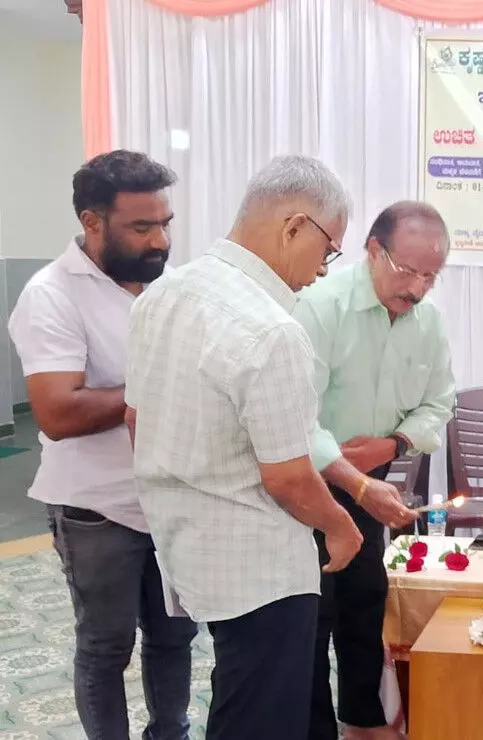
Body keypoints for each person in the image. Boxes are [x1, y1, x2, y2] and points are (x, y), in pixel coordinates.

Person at [124, 155, 366, 740]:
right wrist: (341, 526)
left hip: (186, 542)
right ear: (294, 226)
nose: (322, 270)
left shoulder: (161, 295)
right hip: (262, 569)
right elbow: (288, 476)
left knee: (243, 695)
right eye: (328, 250)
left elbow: (137, 419)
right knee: (259, 716)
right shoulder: (272, 329)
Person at [8, 150, 197, 739]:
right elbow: (58, 412)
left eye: (165, 223)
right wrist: (157, 386)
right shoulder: (51, 294)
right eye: (141, 227)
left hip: (171, 499)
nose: (160, 239)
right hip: (96, 509)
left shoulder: (170, 287)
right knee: (105, 646)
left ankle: (170, 732)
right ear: (92, 222)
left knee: (175, 635)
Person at [294, 200, 452, 740]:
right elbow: (297, 417)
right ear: (372, 251)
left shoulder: (428, 322)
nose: (418, 288)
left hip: (368, 486)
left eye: (431, 276)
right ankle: (315, 730)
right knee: (313, 616)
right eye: (408, 270)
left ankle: (363, 721)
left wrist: (392, 443)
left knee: (365, 601)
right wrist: (351, 473)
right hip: (305, 487)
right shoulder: (320, 307)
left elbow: (439, 402)